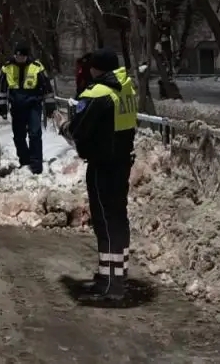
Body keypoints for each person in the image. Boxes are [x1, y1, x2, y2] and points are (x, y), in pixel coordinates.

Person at [68, 48, 138, 302]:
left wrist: (68, 126)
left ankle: (110, 284)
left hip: (102, 164)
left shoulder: (98, 93)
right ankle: (118, 273)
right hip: (121, 161)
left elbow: (79, 127)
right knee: (118, 217)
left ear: (96, 69)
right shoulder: (126, 88)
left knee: (105, 221)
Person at [0, 42, 56, 174]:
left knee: (35, 134)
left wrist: (50, 106)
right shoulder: (7, 68)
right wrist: (2, 107)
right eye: (17, 56)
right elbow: (1, 90)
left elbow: (47, 88)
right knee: (19, 136)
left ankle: (36, 165)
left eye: (22, 56)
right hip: (16, 106)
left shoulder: (37, 67)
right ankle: (25, 160)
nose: (19, 59)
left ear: (26, 56)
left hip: (33, 105)